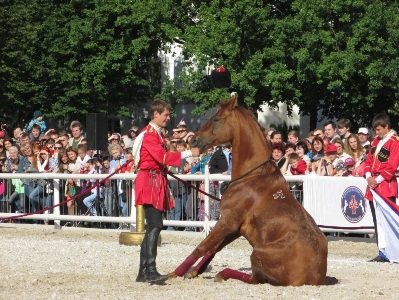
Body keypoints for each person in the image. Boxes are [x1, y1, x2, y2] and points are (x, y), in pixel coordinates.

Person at [132, 99, 199, 283]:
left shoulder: (156, 134)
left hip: (154, 179)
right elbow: (162, 157)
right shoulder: (150, 135)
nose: (168, 118)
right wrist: (188, 153)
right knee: (155, 224)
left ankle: (144, 271)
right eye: (166, 114)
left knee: (153, 225)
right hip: (150, 180)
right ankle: (149, 269)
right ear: (156, 114)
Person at [364, 113, 399, 262]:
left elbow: (391, 166)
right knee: (377, 221)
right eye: (375, 130)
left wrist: (376, 180)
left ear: (386, 127)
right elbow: (368, 161)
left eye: (379, 130)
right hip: (374, 186)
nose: (376, 133)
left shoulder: (394, 142)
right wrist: (368, 177)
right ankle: (382, 251)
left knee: (388, 220)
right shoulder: (375, 142)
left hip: (385, 185)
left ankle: (393, 250)